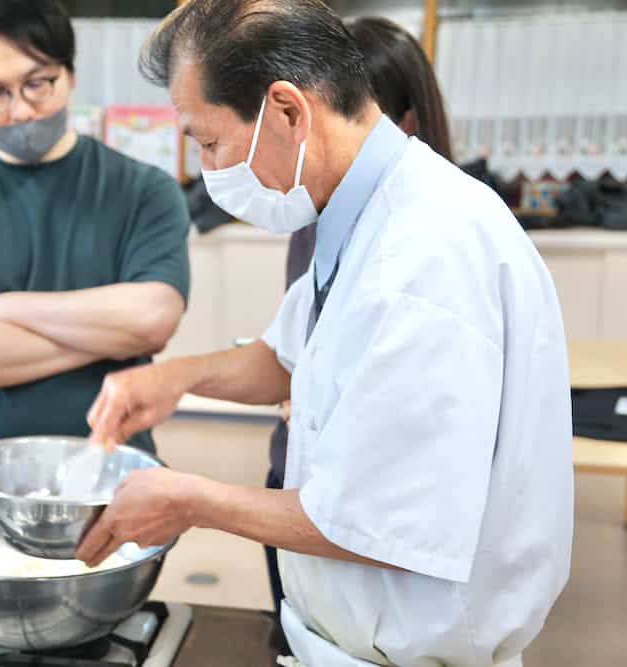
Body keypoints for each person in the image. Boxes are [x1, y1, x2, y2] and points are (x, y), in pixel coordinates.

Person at [79, 1, 573, 665]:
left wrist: (185, 499)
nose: (210, 168)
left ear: (287, 111)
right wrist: (172, 379)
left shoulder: (422, 260)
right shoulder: (362, 209)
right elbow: (290, 357)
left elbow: (369, 519)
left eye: (209, 141)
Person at [0, 0, 190, 502]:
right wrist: (110, 336)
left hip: (114, 481)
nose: (22, 110)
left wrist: (4, 308)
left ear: (69, 73)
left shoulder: (144, 190)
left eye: (37, 83)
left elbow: (154, 319)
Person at [264, 14, 456, 634]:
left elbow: (399, 448)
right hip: (298, 469)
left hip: (374, 541)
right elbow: (295, 340)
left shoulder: (428, 244)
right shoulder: (320, 210)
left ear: (403, 124)